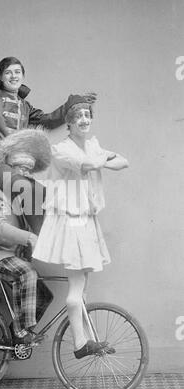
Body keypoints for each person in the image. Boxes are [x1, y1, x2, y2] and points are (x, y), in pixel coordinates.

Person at [0, 56, 96, 234]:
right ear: (1, 77)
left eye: (17, 72)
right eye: (8, 72)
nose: (13, 76)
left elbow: (49, 121)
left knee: (41, 192)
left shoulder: (25, 106)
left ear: (23, 76)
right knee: (25, 187)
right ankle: (42, 242)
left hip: (11, 165)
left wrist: (74, 103)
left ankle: (43, 243)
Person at [32, 95, 129, 358]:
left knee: (83, 284)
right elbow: (86, 165)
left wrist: (102, 158)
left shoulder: (92, 144)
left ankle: (85, 338)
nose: (84, 120)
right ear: (69, 123)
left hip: (85, 219)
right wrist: (101, 159)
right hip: (69, 220)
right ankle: (79, 344)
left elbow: (123, 161)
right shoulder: (62, 149)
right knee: (76, 286)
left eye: (87, 115)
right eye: (78, 117)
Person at [0, 128, 52, 343]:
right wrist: (29, 238)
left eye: (29, 171)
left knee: (44, 296)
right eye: (20, 168)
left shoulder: (22, 196)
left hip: (10, 255)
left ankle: (14, 338)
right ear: (8, 168)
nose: (25, 175)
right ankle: (21, 333)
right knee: (27, 274)